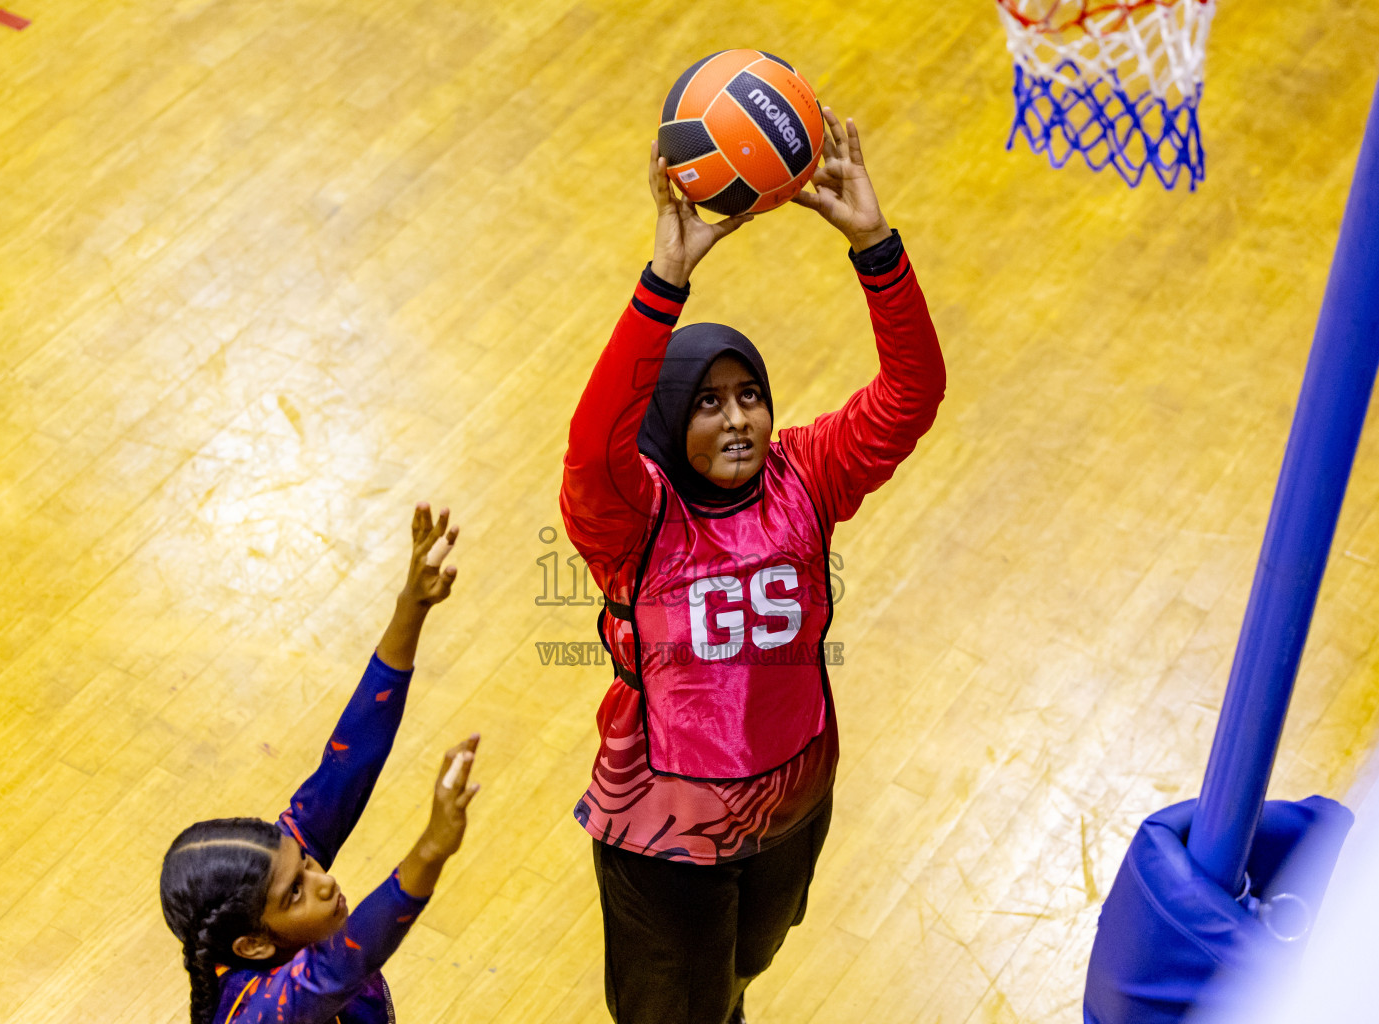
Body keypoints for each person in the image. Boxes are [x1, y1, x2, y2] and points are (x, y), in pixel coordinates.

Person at [560, 108, 947, 1024]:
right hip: (664, 830)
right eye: (706, 404)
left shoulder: (807, 473)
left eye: (751, 397)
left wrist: (876, 247)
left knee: (743, 974)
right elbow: (589, 445)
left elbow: (912, 392)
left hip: (794, 798)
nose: (737, 419)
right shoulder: (633, 517)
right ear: (665, 423)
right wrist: (665, 282)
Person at [159, 504, 480, 1024]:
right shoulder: (255, 1014)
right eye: (295, 893)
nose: (322, 881)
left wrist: (411, 608)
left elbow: (348, 764)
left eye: (306, 864)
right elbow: (335, 970)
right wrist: (430, 851)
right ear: (254, 945)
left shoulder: (279, 886)